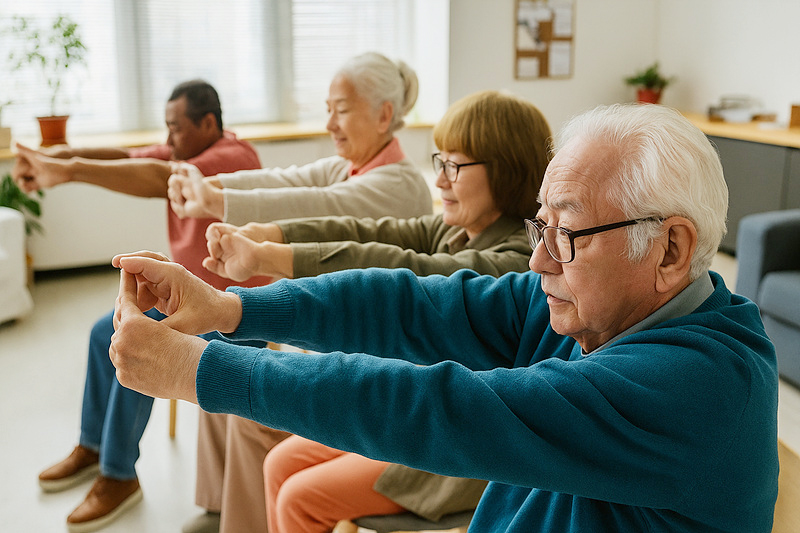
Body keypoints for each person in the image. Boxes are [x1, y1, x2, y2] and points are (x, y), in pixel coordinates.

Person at [108, 103, 779, 532]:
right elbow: (410, 301)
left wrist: (201, 371)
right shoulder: (591, 307)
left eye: (567, 234)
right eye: (539, 226)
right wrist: (233, 306)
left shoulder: (699, 382)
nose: (540, 259)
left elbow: (442, 406)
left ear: (670, 249)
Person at [199, 89, 551, 532]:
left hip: (457, 442)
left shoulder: (515, 258)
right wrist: (270, 236)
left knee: (298, 498)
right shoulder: (457, 229)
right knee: (278, 464)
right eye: (439, 162)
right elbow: (372, 233)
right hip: (412, 414)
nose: (439, 179)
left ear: (508, 171)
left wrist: (268, 257)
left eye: (454, 166)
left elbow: (405, 270)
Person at [166, 52, 433, 533]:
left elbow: (317, 205)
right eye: (327, 108)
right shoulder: (348, 165)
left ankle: (243, 522)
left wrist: (215, 200)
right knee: (219, 351)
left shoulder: (399, 184)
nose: (329, 122)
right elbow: (287, 179)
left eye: (341, 109)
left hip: (359, 353)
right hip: (326, 334)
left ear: (384, 115)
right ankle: (219, 506)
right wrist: (212, 186)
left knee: (238, 394)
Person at [12, 79, 268, 533]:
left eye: (176, 129)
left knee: (138, 340)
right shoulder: (188, 152)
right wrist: (59, 159)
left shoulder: (233, 159)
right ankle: (94, 447)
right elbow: (134, 158)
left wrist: (68, 171)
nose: (168, 140)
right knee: (102, 332)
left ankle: (119, 474)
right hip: (194, 303)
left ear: (208, 124)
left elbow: (156, 178)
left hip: (235, 314)